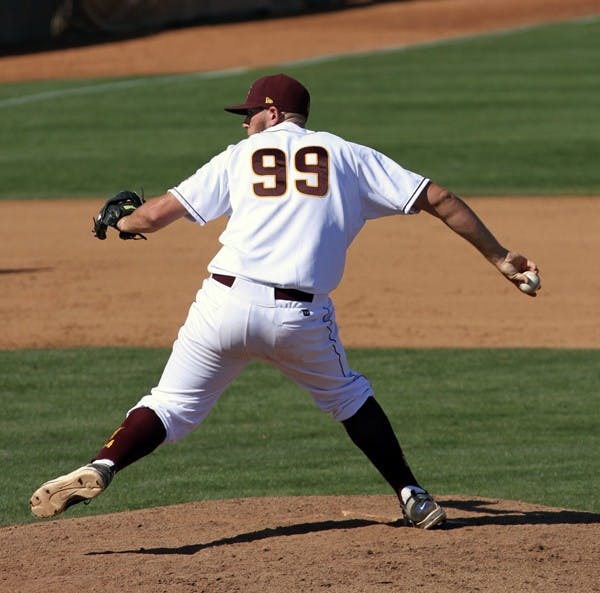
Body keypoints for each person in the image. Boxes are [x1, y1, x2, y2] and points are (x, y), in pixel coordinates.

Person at [30, 73, 539, 529]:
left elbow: (157, 214)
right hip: (299, 317)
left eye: (249, 114)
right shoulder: (347, 154)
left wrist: (118, 221)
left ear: (272, 113)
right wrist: (497, 257)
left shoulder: (237, 158)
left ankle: (103, 465)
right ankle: (413, 495)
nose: (244, 125)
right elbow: (440, 199)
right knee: (349, 398)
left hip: (222, 305)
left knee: (171, 404)